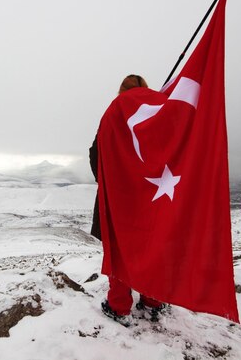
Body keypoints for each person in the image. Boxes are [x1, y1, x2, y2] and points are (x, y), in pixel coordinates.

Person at [89, 74, 166, 326]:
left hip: (117, 200)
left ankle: (119, 306)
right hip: (153, 196)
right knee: (152, 250)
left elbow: (95, 154)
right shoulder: (159, 112)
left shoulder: (112, 115)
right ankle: (153, 302)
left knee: (119, 252)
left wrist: (109, 183)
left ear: (121, 91)